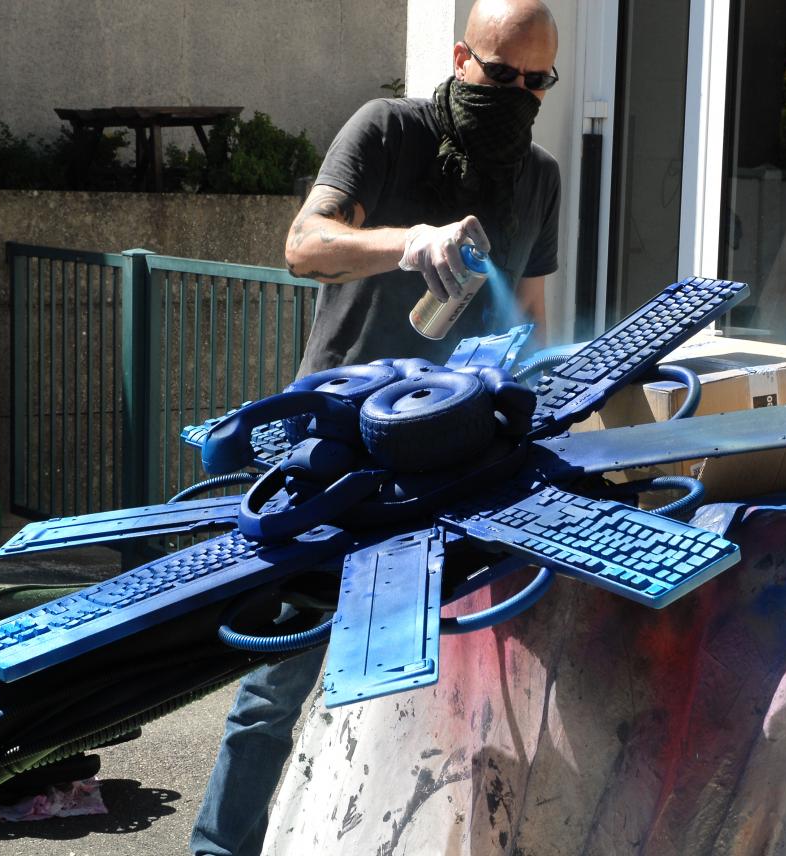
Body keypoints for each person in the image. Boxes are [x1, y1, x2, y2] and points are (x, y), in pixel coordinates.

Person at [189, 2, 562, 853]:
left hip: (454, 464)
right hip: (334, 452)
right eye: (501, 75)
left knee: (423, 688)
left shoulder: (537, 176)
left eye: (537, 82)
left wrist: (531, 395)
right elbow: (304, 245)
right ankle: (219, 849)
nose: (517, 94)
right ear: (461, 58)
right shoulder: (389, 130)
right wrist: (409, 243)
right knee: (279, 683)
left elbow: (531, 315)